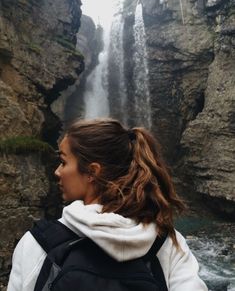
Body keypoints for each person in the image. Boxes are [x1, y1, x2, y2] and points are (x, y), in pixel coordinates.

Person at [7, 118, 208, 291]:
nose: (57, 172)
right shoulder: (167, 243)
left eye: (63, 162)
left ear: (93, 172)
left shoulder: (38, 242)